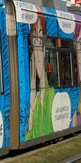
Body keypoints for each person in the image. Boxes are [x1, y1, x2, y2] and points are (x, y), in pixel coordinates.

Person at [27, 10, 55, 139]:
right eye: (34, 33)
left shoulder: (51, 94)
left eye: (40, 33)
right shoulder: (28, 93)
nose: (37, 40)